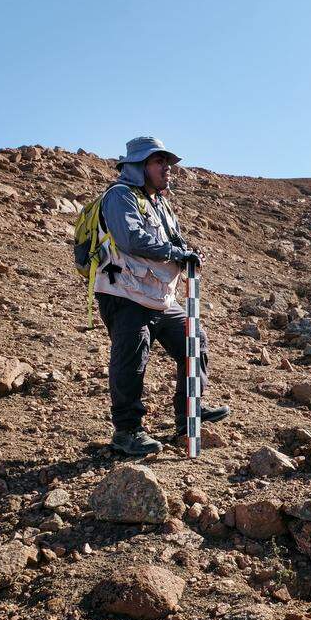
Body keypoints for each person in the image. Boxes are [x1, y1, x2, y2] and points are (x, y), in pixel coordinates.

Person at [94, 136, 229, 456]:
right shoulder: (119, 196)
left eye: (167, 162)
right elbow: (130, 239)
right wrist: (177, 254)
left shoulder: (160, 204)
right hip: (124, 293)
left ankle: (189, 413)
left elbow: (174, 242)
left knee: (194, 341)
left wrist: (189, 254)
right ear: (139, 166)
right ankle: (127, 432)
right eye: (159, 161)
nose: (167, 168)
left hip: (157, 296)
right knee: (131, 360)